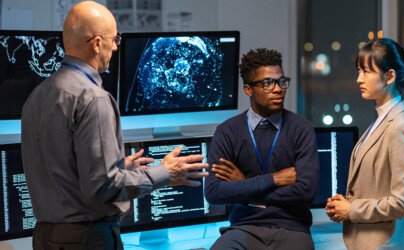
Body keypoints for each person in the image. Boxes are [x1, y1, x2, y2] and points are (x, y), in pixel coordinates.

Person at [20, 2, 208, 250]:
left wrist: (120, 168)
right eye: (115, 38)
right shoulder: (93, 98)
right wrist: (165, 173)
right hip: (85, 240)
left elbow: (60, 171)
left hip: (44, 238)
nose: (117, 46)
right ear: (98, 43)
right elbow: (103, 188)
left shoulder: (37, 96)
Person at [205, 48, 319, 250]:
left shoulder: (301, 129)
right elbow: (214, 192)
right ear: (248, 89)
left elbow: (306, 190)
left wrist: (245, 187)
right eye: (268, 83)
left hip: (292, 227)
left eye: (281, 81)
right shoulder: (227, 131)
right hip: (244, 226)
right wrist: (273, 179)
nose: (278, 89)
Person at [325, 38, 404, 250]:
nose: (358, 79)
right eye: (359, 70)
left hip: (386, 245)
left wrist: (351, 210)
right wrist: (343, 205)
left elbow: (402, 202)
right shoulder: (382, 119)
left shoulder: (400, 125)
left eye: (366, 71)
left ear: (389, 76)